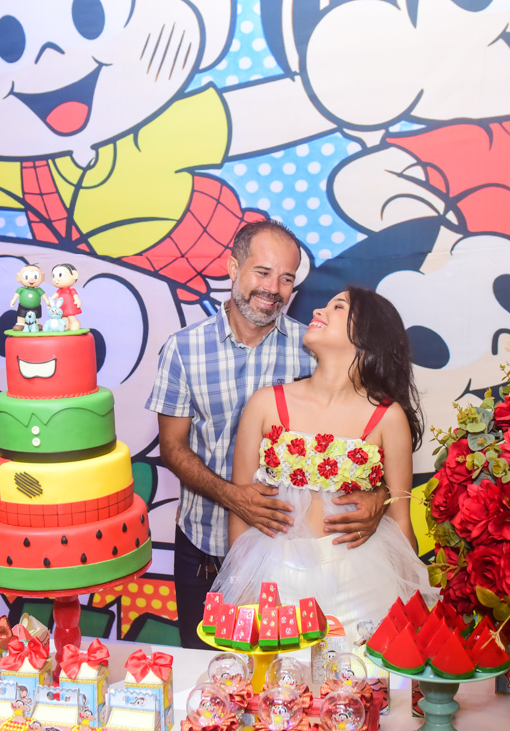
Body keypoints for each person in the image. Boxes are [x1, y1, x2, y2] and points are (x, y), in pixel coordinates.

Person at [147, 220, 389, 649]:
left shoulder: (313, 346)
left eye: (286, 278)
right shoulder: (183, 349)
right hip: (203, 545)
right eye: (262, 272)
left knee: (289, 677)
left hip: (289, 555)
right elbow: (172, 447)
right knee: (210, 671)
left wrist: (377, 493)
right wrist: (232, 495)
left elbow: (360, 431)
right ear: (231, 267)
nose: (274, 288)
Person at [210, 286, 436, 641]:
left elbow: (399, 517)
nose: (319, 309)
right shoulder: (265, 403)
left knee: (363, 686)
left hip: (362, 578)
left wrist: (414, 601)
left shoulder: (388, 418)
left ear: (366, 335)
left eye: (338, 307)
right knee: (275, 690)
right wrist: (244, 589)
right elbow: (241, 507)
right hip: (274, 574)